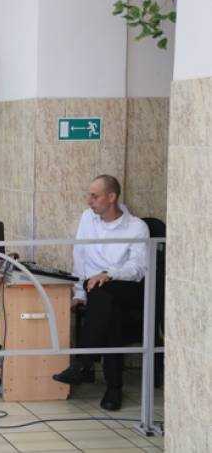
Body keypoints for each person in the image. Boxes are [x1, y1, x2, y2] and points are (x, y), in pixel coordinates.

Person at [52, 175, 149, 411]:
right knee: (108, 307)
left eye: (94, 196)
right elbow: (80, 256)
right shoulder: (88, 218)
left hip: (126, 287)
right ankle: (113, 387)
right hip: (97, 292)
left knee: (104, 292)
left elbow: (138, 269)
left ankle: (84, 363)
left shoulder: (136, 227)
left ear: (112, 197)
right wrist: (79, 293)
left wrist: (109, 274)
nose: (89, 201)